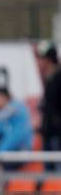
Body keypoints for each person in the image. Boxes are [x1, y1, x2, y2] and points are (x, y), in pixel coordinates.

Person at [0, 87, 33, 170]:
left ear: (5, 98)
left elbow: (16, 136)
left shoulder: (19, 112)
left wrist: (0, 152)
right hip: (2, 151)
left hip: (20, 149)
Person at [36, 41, 61, 171]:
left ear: (49, 59)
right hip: (49, 133)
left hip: (57, 134)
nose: (39, 62)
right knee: (49, 175)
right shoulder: (49, 77)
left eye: (42, 58)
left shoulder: (57, 77)